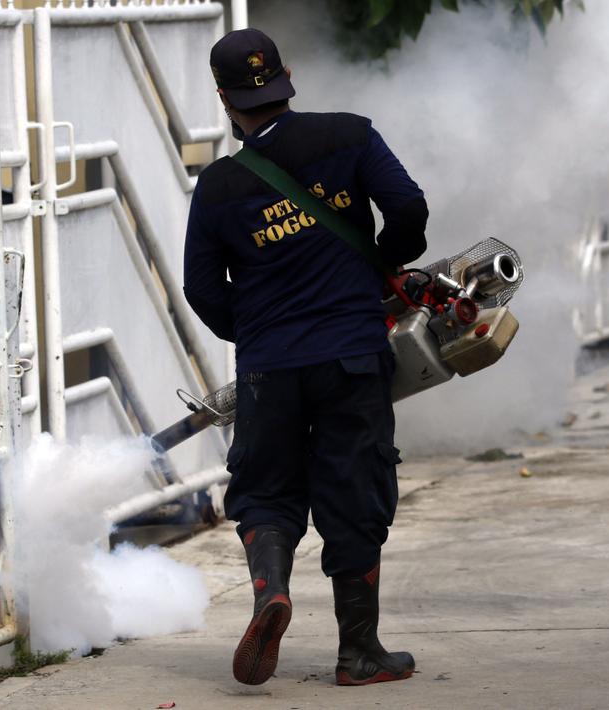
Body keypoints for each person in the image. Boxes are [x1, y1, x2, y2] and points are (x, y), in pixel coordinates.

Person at [183, 28, 429, 687]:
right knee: (354, 489)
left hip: (267, 366)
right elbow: (405, 206)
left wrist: (257, 332)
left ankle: (270, 592)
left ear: (222, 97)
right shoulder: (348, 136)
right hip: (350, 352)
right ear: (285, 76)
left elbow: (201, 290)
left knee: (265, 489)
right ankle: (359, 654)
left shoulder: (218, 186)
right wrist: (387, 263)